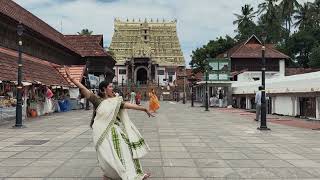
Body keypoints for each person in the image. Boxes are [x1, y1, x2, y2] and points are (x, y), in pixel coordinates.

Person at [65, 67, 152, 180]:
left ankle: (131, 173)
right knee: (108, 155)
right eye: (110, 87)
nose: (113, 88)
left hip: (116, 131)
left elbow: (128, 105)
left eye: (112, 86)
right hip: (103, 133)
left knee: (126, 151)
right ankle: (109, 175)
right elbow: (83, 88)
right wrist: (71, 78)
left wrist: (144, 109)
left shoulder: (115, 101)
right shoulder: (97, 100)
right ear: (103, 90)